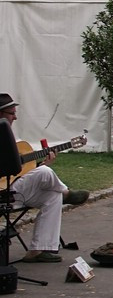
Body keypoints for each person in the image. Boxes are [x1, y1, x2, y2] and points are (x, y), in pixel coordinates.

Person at [0, 94, 89, 263]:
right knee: (45, 173)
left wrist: (42, 163)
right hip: (4, 193)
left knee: (52, 195)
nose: (15, 117)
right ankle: (66, 193)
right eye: (11, 113)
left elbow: (23, 171)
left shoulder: (14, 139)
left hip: (16, 190)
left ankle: (38, 250)